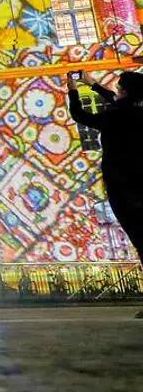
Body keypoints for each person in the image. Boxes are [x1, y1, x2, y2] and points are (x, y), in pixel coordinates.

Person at [68, 71, 143, 318]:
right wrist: (94, 85)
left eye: (120, 88)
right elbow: (118, 101)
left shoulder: (116, 117)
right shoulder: (137, 112)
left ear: (127, 92)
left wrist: (73, 89)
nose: (117, 91)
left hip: (123, 185)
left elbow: (80, 115)